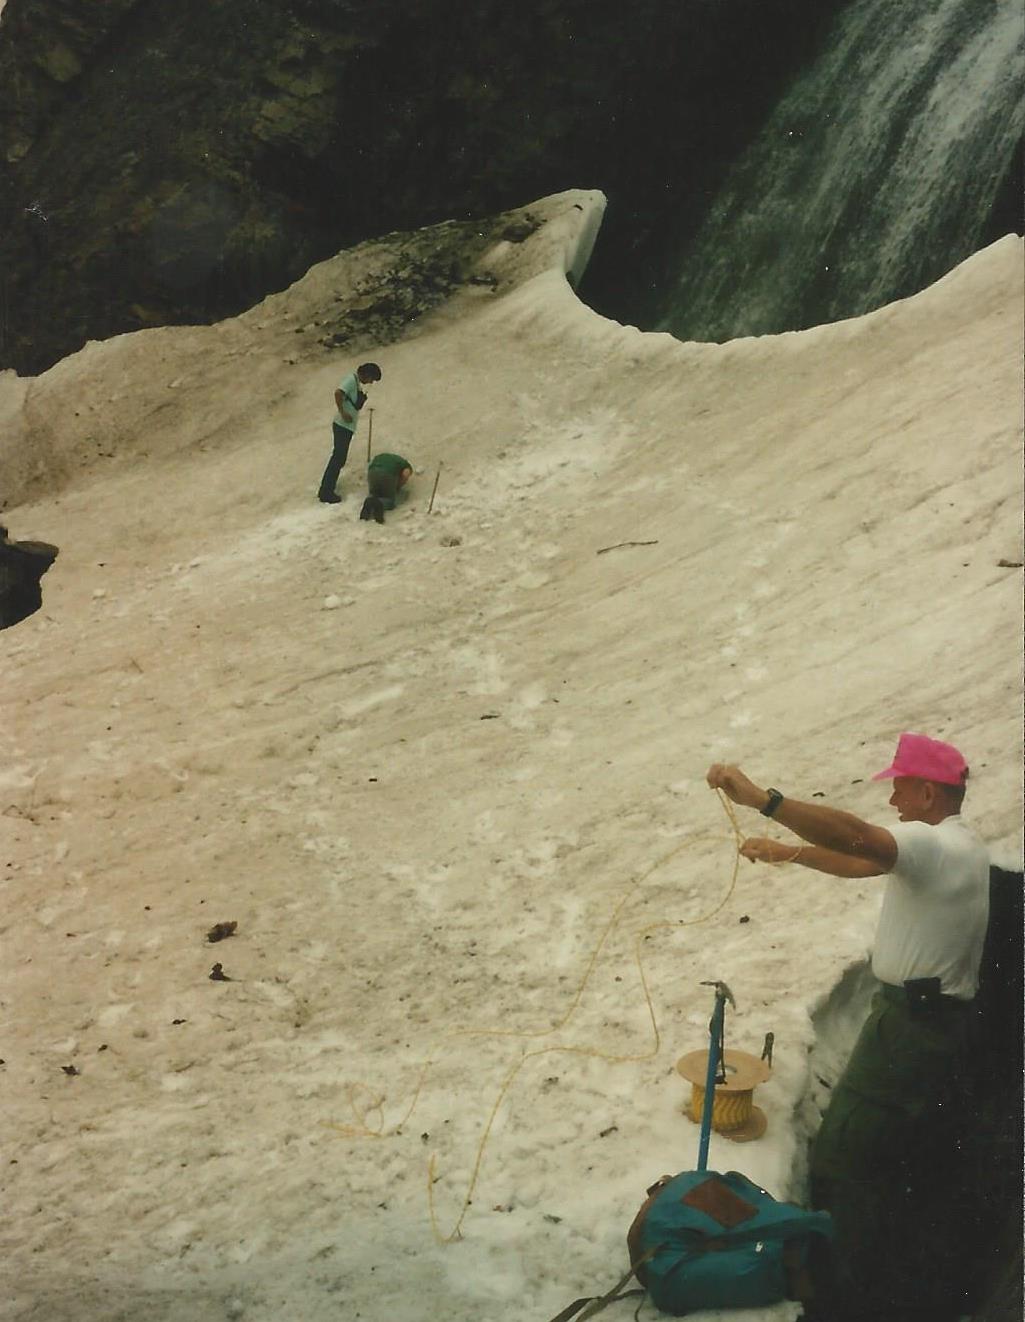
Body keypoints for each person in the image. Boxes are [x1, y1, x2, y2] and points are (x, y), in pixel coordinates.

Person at [706, 734, 990, 1322]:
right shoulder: (955, 848)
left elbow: (860, 837)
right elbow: (866, 861)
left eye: (900, 787)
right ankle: (889, 1274)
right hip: (922, 1019)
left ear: (928, 790)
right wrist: (792, 854)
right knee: (889, 1153)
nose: (893, 799)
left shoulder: (936, 844)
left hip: (912, 1026)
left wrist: (764, 799)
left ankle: (848, 1294)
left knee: (845, 1155)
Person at [317, 361, 381, 504]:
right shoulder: (351, 380)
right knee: (338, 458)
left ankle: (327, 488)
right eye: (371, 378)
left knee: (339, 458)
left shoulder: (356, 383)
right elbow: (338, 393)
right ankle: (326, 491)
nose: (370, 382)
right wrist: (343, 412)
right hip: (342, 425)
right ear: (367, 374)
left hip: (347, 427)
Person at [359, 452, 412, 524]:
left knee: (374, 493)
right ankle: (380, 503)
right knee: (389, 500)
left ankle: (369, 502)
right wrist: (398, 486)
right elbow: (405, 474)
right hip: (388, 474)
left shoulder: (381, 456)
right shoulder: (405, 465)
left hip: (372, 472)